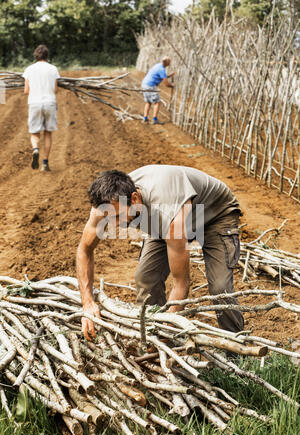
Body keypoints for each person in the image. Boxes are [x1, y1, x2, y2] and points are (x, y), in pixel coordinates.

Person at [76, 164, 244, 342]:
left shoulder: (167, 213)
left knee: (220, 287)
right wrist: (87, 303)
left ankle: (236, 346)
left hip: (215, 214)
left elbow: (182, 282)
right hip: (168, 217)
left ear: (134, 199)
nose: (114, 224)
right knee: (146, 279)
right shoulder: (105, 205)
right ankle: (150, 334)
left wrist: (167, 327)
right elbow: (84, 250)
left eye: (118, 216)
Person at [23, 44, 60, 172]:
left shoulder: (29, 69)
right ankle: (45, 163)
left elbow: (26, 91)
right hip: (50, 102)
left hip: (34, 103)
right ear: (47, 55)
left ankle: (35, 149)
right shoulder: (53, 69)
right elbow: (55, 89)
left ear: (36, 55)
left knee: (34, 132)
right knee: (48, 133)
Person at [141, 56, 175, 125]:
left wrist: (169, 76)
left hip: (144, 84)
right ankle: (155, 119)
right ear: (166, 62)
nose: (170, 63)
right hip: (150, 86)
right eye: (169, 62)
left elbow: (162, 77)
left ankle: (145, 118)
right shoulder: (161, 69)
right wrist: (172, 85)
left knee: (148, 102)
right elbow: (166, 84)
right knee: (157, 102)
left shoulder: (158, 66)